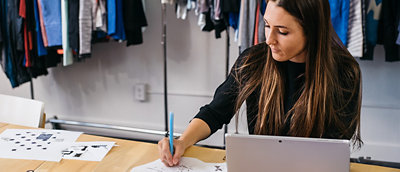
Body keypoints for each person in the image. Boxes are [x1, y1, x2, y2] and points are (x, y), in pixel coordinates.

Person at [158, 0, 362, 167]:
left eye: (282, 32)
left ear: (312, 32)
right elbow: (215, 112)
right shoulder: (253, 60)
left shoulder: (344, 72)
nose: (269, 40)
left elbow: (334, 149)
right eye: (266, 25)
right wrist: (182, 141)